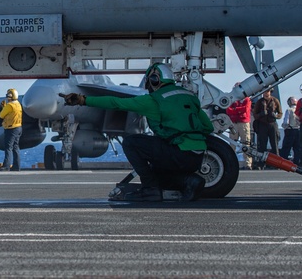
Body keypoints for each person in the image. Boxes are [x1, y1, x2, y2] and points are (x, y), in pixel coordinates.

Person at [60, 63, 214, 202]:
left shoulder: (153, 100)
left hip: (177, 154)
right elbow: (208, 127)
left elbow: (116, 103)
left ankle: (150, 189)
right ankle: (190, 181)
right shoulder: (189, 96)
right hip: (196, 158)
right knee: (157, 163)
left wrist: (83, 100)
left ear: (154, 80)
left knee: (131, 143)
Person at [251, 89, 282, 163]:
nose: (266, 93)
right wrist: (261, 114)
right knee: (262, 145)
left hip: (272, 124)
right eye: (264, 92)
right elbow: (255, 114)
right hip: (262, 125)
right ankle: (261, 163)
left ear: (270, 92)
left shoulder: (275, 101)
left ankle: (276, 163)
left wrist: (276, 116)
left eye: (267, 92)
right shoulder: (259, 102)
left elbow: (280, 113)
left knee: (274, 144)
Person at [226, 85, 252, 169]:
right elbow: (228, 110)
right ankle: (230, 162)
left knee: (246, 143)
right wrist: (238, 111)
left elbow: (245, 109)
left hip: (243, 123)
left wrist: (235, 110)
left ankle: (248, 163)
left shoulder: (247, 99)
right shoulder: (232, 99)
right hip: (234, 123)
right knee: (232, 144)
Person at [0, 88, 23, 171]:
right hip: (19, 127)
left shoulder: (10, 105)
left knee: (8, 147)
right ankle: (17, 166)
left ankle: (6, 165)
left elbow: (1, 115)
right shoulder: (18, 104)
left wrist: (4, 107)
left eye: (8, 96)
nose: (7, 98)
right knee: (16, 147)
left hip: (11, 128)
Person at [279, 97, 301, 164]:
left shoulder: (289, 110)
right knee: (297, 149)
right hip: (298, 130)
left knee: (286, 148)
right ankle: (297, 163)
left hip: (290, 131)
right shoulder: (299, 110)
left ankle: (283, 163)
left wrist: (283, 126)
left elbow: (286, 122)